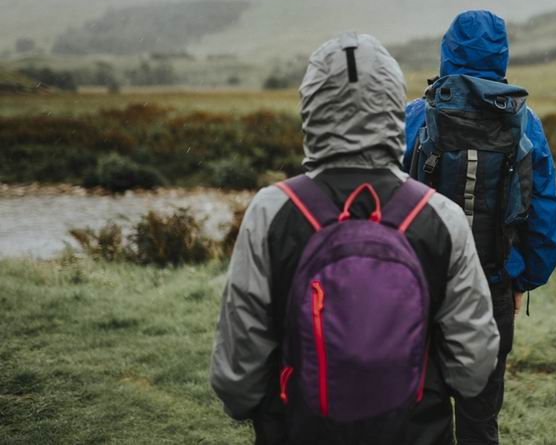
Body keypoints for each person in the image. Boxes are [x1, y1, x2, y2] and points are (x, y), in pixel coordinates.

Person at [211, 32, 500, 445]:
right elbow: (473, 367)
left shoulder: (271, 211)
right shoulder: (441, 216)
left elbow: (237, 374)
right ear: (392, 107)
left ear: (311, 105)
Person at [403, 10, 556, 444]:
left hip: (421, 289)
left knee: (421, 414)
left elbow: (384, 200)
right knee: (479, 416)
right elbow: (544, 213)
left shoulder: (415, 117)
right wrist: (522, 279)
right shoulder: (525, 123)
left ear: (447, 51)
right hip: (491, 287)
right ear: (502, 55)